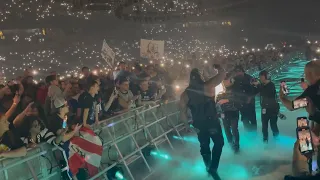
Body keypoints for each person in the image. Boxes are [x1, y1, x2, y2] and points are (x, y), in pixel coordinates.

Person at [179, 64, 226, 179]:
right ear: (200, 76)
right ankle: (213, 168)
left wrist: (186, 125)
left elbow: (182, 112)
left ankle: (208, 166)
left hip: (198, 123)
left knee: (204, 145)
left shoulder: (185, 94)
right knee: (219, 143)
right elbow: (222, 74)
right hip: (212, 121)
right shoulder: (208, 85)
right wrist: (218, 67)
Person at [252, 70, 280, 143]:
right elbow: (255, 92)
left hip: (273, 109)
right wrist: (254, 86)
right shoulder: (261, 85)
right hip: (264, 109)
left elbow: (266, 93)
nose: (260, 78)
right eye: (260, 77)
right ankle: (265, 141)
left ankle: (277, 139)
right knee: (264, 126)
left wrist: (258, 85)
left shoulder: (271, 85)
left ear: (266, 77)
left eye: (262, 77)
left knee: (273, 125)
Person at [216, 75, 240, 153]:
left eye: (226, 80)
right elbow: (217, 104)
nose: (224, 82)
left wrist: (227, 100)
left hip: (233, 113)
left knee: (234, 130)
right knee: (227, 130)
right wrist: (218, 113)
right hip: (224, 114)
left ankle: (236, 146)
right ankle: (231, 144)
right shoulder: (220, 92)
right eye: (223, 81)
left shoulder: (235, 89)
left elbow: (239, 99)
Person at [232, 65, 257, 132]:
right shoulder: (234, 80)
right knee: (245, 120)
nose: (238, 73)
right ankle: (248, 134)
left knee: (252, 119)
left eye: (239, 71)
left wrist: (250, 97)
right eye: (236, 72)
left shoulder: (250, 78)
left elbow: (255, 90)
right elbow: (233, 91)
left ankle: (254, 134)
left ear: (243, 71)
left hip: (250, 103)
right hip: (241, 103)